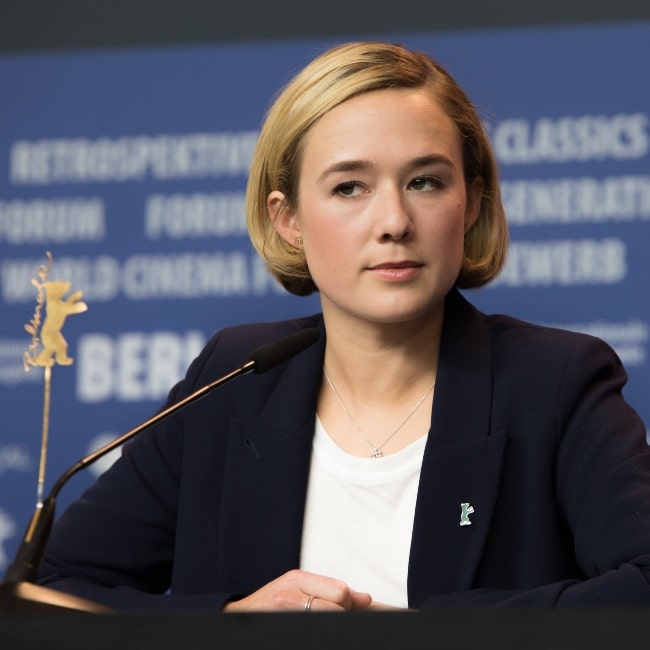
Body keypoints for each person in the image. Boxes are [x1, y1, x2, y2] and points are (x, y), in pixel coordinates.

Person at [38, 41, 650, 611]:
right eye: (350, 187)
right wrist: (226, 628)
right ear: (289, 220)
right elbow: (53, 589)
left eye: (425, 182)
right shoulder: (233, 377)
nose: (393, 221)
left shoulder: (556, 382)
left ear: (473, 204)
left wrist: (412, 636)